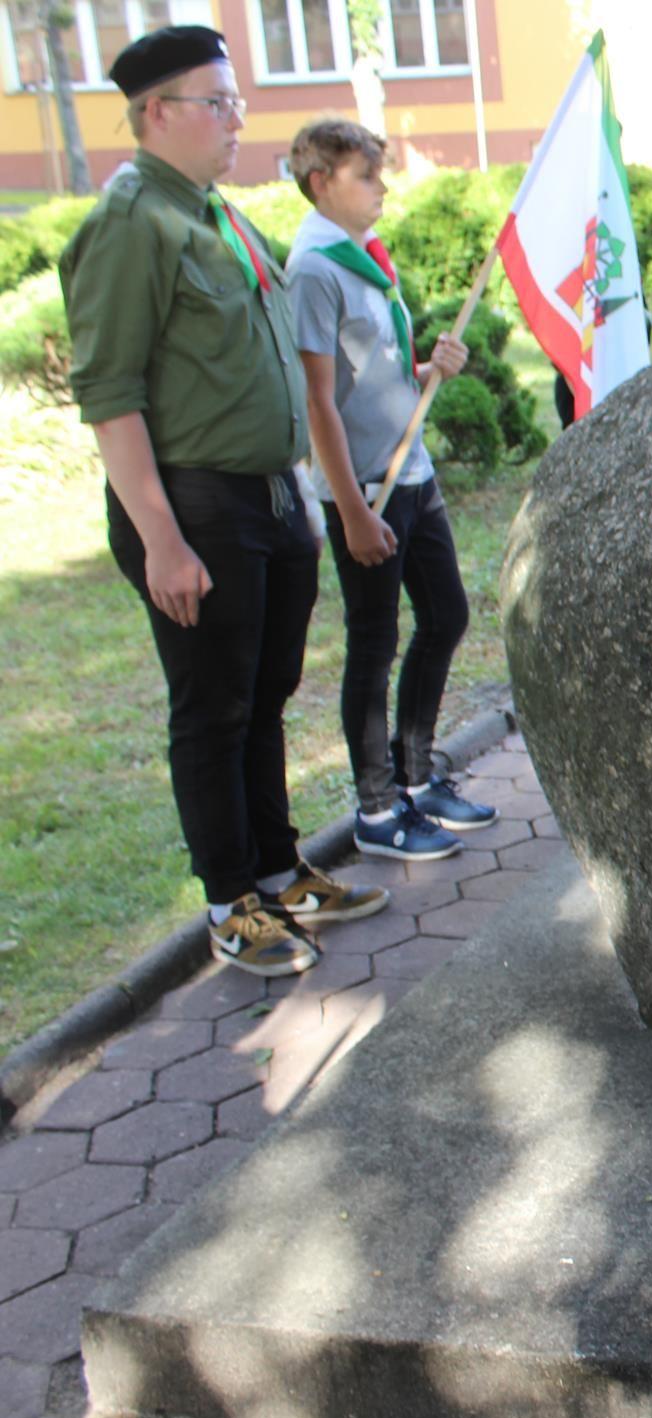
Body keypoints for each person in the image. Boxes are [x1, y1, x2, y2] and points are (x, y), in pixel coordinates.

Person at [59, 26, 385, 978]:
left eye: (237, 99)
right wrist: (162, 539)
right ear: (157, 112)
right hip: (196, 506)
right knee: (212, 705)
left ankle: (279, 871)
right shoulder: (134, 222)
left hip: (268, 497)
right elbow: (110, 394)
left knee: (266, 693)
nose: (238, 117)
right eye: (218, 101)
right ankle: (228, 902)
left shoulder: (215, 214)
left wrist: (300, 494)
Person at [286, 118, 497, 862]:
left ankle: (416, 775)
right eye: (366, 175)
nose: (382, 188)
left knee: (446, 615)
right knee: (373, 646)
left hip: (412, 470)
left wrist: (426, 365)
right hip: (367, 488)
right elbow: (318, 402)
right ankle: (377, 811)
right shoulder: (314, 268)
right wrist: (348, 510)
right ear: (321, 182)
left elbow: (369, 372)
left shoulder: (367, 258)